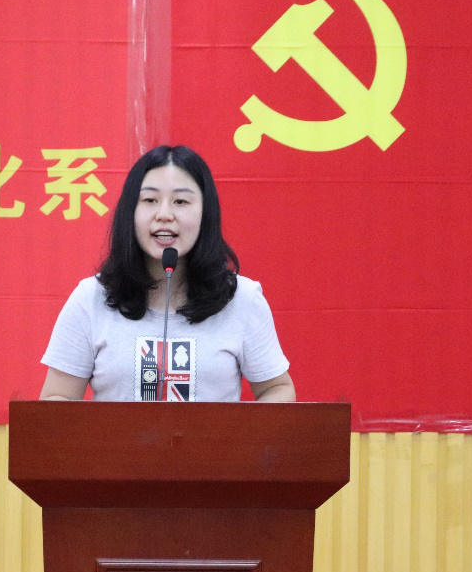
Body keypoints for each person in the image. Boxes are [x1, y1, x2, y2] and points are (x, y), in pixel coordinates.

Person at [39, 145, 296, 402]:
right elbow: (58, 397)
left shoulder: (242, 299)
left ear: (205, 213)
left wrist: (237, 430)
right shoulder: (92, 298)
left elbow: (278, 389)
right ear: (131, 212)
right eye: (150, 200)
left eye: (181, 201)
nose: (164, 215)